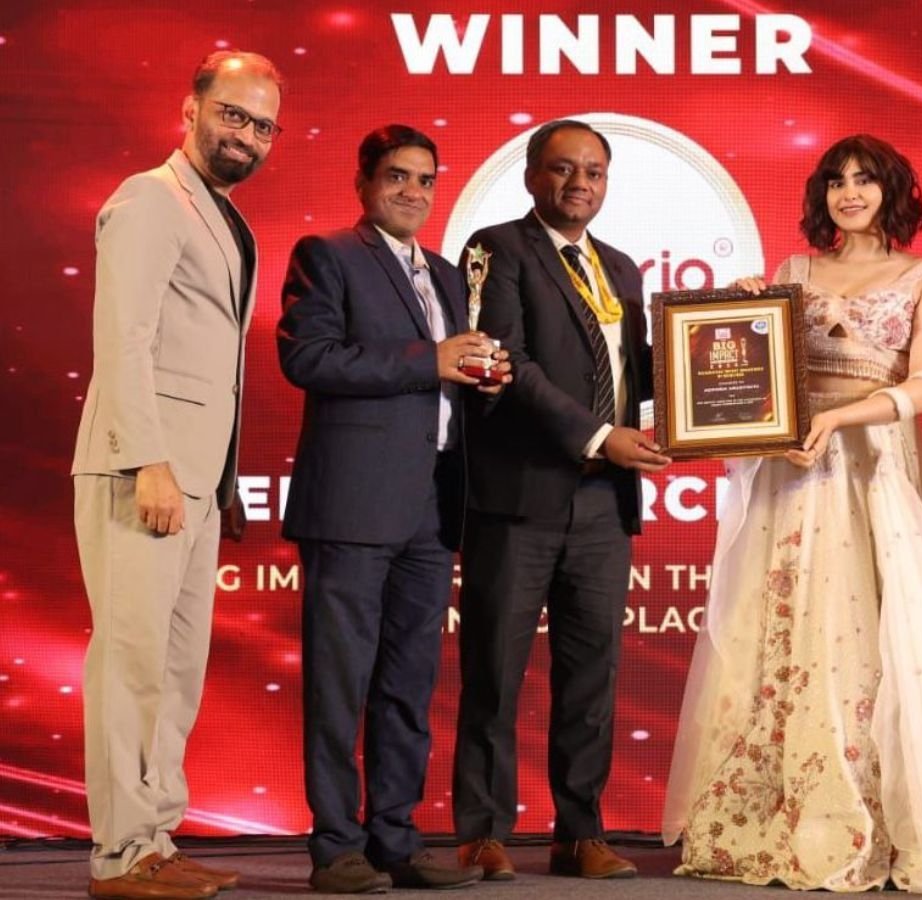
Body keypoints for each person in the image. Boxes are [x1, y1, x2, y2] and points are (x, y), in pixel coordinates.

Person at [662, 135, 922, 896]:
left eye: (865, 180)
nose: (850, 193)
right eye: (836, 181)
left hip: (873, 467)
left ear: (892, 190)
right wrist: (738, 314)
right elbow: (763, 370)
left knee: (875, 632)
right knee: (787, 628)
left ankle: (883, 820)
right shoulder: (794, 271)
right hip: (794, 467)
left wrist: (839, 419)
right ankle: (789, 813)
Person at [70, 50, 282, 900]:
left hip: (196, 480)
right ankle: (120, 855)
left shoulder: (223, 215)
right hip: (144, 468)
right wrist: (148, 461)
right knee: (131, 664)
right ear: (190, 111)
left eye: (263, 126)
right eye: (234, 115)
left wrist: (216, 479)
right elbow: (122, 338)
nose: (247, 136)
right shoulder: (148, 199)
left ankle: (155, 838)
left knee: (175, 669)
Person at [277, 125, 507, 894]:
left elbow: (445, 383)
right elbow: (307, 357)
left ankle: (395, 840)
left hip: (432, 509)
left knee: (409, 684)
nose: (413, 191)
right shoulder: (328, 255)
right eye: (397, 176)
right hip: (352, 505)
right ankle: (335, 847)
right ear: (364, 183)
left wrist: (484, 378)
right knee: (339, 685)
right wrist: (428, 360)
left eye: (425, 179)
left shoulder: (445, 274)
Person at [452, 119, 670, 881]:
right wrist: (599, 437)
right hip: (519, 496)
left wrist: (730, 342)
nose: (580, 183)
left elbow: (640, 369)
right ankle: (483, 833)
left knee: (591, 677)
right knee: (495, 670)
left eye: (594, 172)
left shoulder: (622, 269)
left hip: (604, 504)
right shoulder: (496, 249)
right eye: (563, 168)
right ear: (531, 175)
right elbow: (507, 362)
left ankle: (580, 833)